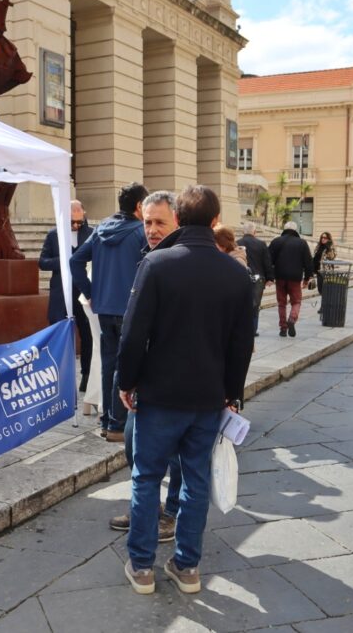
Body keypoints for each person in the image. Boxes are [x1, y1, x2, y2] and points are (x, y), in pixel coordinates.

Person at [117, 185, 253, 595]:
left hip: (159, 395)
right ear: (215, 221)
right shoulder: (235, 273)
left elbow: (132, 333)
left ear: (179, 216)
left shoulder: (157, 264)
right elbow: (241, 343)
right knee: (195, 482)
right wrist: (231, 393)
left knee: (146, 479)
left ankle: (142, 568)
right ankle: (187, 565)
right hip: (208, 397)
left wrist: (127, 382)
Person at [110, 190, 182, 543]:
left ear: (177, 222)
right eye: (147, 222)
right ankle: (147, 507)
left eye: (159, 223)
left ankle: (171, 513)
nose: (152, 229)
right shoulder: (146, 257)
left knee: (180, 454)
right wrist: (129, 377)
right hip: (146, 378)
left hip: (179, 379)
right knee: (131, 442)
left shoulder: (184, 262)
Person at [70, 182, 148, 442]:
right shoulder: (140, 232)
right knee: (126, 367)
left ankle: (107, 422)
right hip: (131, 309)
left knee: (109, 365)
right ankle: (116, 424)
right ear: (139, 206)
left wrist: (92, 292)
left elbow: (75, 260)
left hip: (104, 308)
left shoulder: (101, 228)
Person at [39, 200, 93, 392]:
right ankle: (58, 376)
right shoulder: (54, 235)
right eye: (73, 222)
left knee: (88, 334)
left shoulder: (91, 233)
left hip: (83, 290)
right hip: (61, 291)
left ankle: (87, 375)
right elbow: (42, 262)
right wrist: (63, 262)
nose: (77, 225)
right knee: (58, 333)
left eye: (80, 222)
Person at [269, 220, 313, 337]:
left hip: (280, 277)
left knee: (281, 303)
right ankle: (292, 319)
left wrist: (269, 277)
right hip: (295, 277)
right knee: (296, 301)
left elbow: (268, 260)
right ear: (295, 230)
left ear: (284, 229)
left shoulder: (276, 241)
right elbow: (308, 262)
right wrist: (307, 278)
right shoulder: (302, 243)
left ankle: (283, 328)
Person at [239, 223, 273, 335]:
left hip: (241, 276)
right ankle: (253, 330)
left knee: (241, 304)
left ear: (243, 232)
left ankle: (242, 328)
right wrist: (270, 278)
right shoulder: (261, 244)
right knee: (255, 305)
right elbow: (267, 262)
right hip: (259, 278)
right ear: (255, 232)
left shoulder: (237, 243)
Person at [312, 231, 337, 295]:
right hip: (319, 271)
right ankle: (324, 304)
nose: (323, 239)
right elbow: (315, 257)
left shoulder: (331, 247)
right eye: (322, 237)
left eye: (325, 238)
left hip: (327, 271)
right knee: (320, 289)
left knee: (326, 290)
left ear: (328, 239)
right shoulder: (318, 246)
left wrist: (328, 248)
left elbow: (332, 256)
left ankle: (325, 304)